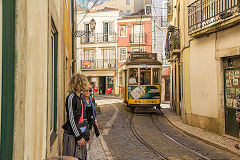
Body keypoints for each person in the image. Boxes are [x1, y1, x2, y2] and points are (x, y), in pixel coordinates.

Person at [62, 73, 91, 159]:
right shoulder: (71, 97)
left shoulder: (80, 97)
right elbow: (71, 119)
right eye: (85, 82)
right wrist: (78, 137)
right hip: (72, 135)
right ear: (80, 83)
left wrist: (86, 136)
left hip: (80, 134)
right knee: (71, 158)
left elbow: (83, 118)